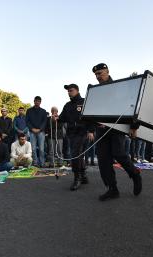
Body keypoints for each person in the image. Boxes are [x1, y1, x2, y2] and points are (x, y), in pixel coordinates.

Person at [91, 63, 142, 200]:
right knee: (103, 160)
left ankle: (135, 174)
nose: (98, 77)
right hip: (101, 130)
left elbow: (132, 104)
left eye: (100, 73)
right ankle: (112, 189)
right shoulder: (95, 92)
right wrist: (94, 124)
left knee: (119, 154)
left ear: (107, 71)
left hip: (116, 128)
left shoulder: (119, 88)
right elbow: (92, 110)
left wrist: (134, 126)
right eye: (96, 74)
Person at [57, 84, 95, 190]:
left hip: (82, 133)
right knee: (78, 155)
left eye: (71, 90)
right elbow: (62, 118)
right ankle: (83, 176)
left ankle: (77, 178)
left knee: (75, 155)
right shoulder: (67, 105)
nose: (69, 92)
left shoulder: (84, 102)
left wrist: (91, 131)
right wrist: (56, 118)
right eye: (68, 91)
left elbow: (90, 117)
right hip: (71, 134)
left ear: (77, 91)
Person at [25, 96, 47, 167]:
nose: (37, 102)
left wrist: (40, 129)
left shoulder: (43, 111)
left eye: (39, 101)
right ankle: (35, 163)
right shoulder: (29, 110)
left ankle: (42, 163)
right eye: (36, 101)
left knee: (41, 149)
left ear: (40, 102)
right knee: (33, 148)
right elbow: (27, 121)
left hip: (41, 132)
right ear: (34, 101)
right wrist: (32, 129)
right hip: (32, 132)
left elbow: (45, 122)